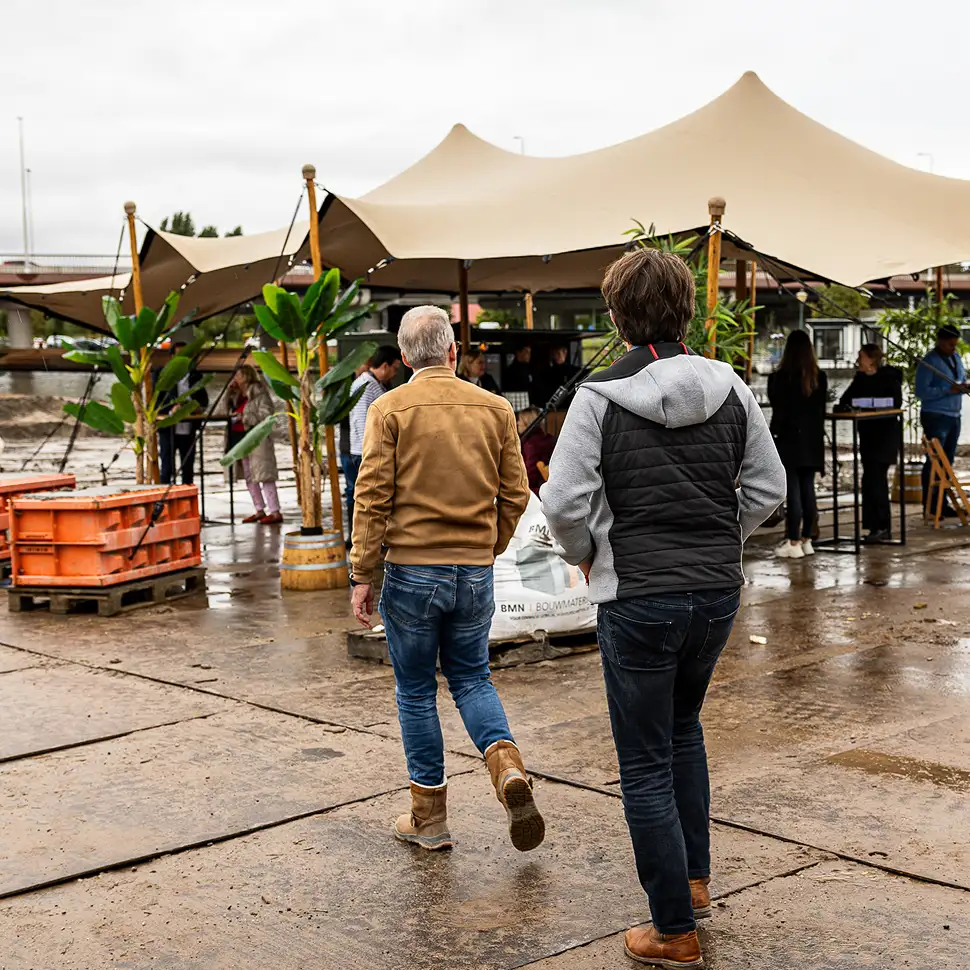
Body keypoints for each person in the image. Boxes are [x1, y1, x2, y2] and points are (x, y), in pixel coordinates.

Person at [540, 249, 785, 969]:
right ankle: (696, 881)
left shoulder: (596, 397)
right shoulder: (731, 384)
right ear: (687, 311)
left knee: (644, 760)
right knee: (684, 730)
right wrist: (721, 537)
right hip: (715, 594)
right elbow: (768, 488)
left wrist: (587, 554)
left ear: (616, 317)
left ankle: (674, 929)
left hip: (638, 596)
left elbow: (562, 503)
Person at [350, 306, 542, 855]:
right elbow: (516, 495)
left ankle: (429, 819)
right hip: (475, 571)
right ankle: (505, 765)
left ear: (405, 356)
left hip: (411, 573)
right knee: (473, 679)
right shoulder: (495, 408)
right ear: (453, 351)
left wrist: (364, 573)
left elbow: (372, 499)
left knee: (415, 692)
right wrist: (489, 545)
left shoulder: (389, 409)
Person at [767, 330, 828, 560]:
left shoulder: (779, 378)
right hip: (812, 440)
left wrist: (772, 436)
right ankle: (806, 539)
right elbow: (820, 411)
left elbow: (778, 412)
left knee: (792, 491)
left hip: (789, 439)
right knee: (808, 489)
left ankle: (793, 541)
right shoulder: (819, 378)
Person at [838, 344, 903, 541]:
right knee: (869, 480)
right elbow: (845, 400)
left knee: (878, 480)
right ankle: (872, 526)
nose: (858, 361)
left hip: (884, 435)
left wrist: (865, 403)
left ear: (871, 359)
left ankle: (882, 527)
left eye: (861, 357)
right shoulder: (859, 379)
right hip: (867, 435)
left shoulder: (889, 377)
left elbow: (895, 402)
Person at [346, 346, 402, 540]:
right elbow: (362, 423)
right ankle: (361, 539)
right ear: (385, 366)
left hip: (368, 452)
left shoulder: (375, 384)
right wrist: (370, 455)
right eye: (395, 368)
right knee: (363, 499)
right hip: (363, 453)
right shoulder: (366, 386)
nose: (395, 372)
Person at [917, 324, 968, 517]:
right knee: (935, 461)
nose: (953, 349)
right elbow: (921, 391)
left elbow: (959, 379)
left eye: (955, 345)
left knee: (948, 460)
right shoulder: (929, 362)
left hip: (954, 414)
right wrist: (948, 390)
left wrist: (964, 386)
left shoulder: (956, 358)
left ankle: (942, 502)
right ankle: (929, 503)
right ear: (940, 341)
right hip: (935, 415)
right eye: (949, 345)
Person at [225, 365, 282, 524]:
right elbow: (223, 410)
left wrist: (244, 416)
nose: (235, 378)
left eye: (238, 375)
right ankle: (259, 509)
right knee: (249, 476)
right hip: (240, 439)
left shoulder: (259, 393)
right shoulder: (236, 395)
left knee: (264, 474)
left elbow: (267, 415)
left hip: (256, 439)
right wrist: (229, 392)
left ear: (247, 376)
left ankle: (275, 510)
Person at [157, 340, 208, 486]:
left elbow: (204, 401)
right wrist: (170, 410)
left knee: (188, 467)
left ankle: (188, 498)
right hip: (169, 427)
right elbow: (155, 402)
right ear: (172, 357)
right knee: (167, 467)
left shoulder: (195, 376)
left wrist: (193, 407)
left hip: (189, 426)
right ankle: (164, 502)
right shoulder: (162, 374)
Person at [339, 356, 372, 540]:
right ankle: (353, 536)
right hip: (349, 447)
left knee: (361, 493)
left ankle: (360, 536)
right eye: (363, 363)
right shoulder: (347, 388)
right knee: (352, 492)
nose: (365, 367)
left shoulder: (366, 385)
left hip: (356, 447)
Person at [516, 406, 555, 495]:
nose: (517, 423)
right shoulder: (546, 438)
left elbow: (530, 475)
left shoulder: (530, 444)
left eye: (520, 420)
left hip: (535, 492)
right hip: (547, 488)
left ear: (527, 423)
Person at [537, 343, 581, 409]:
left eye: (558, 353)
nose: (556, 356)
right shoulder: (547, 372)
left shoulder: (575, 371)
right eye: (554, 354)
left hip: (569, 406)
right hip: (551, 406)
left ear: (565, 353)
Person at [503, 344, 533, 411]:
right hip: (517, 406)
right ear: (519, 353)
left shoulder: (530, 369)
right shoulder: (510, 371)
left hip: (530, 406)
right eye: (526, 352)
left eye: (530, 352)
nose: (529, 355)